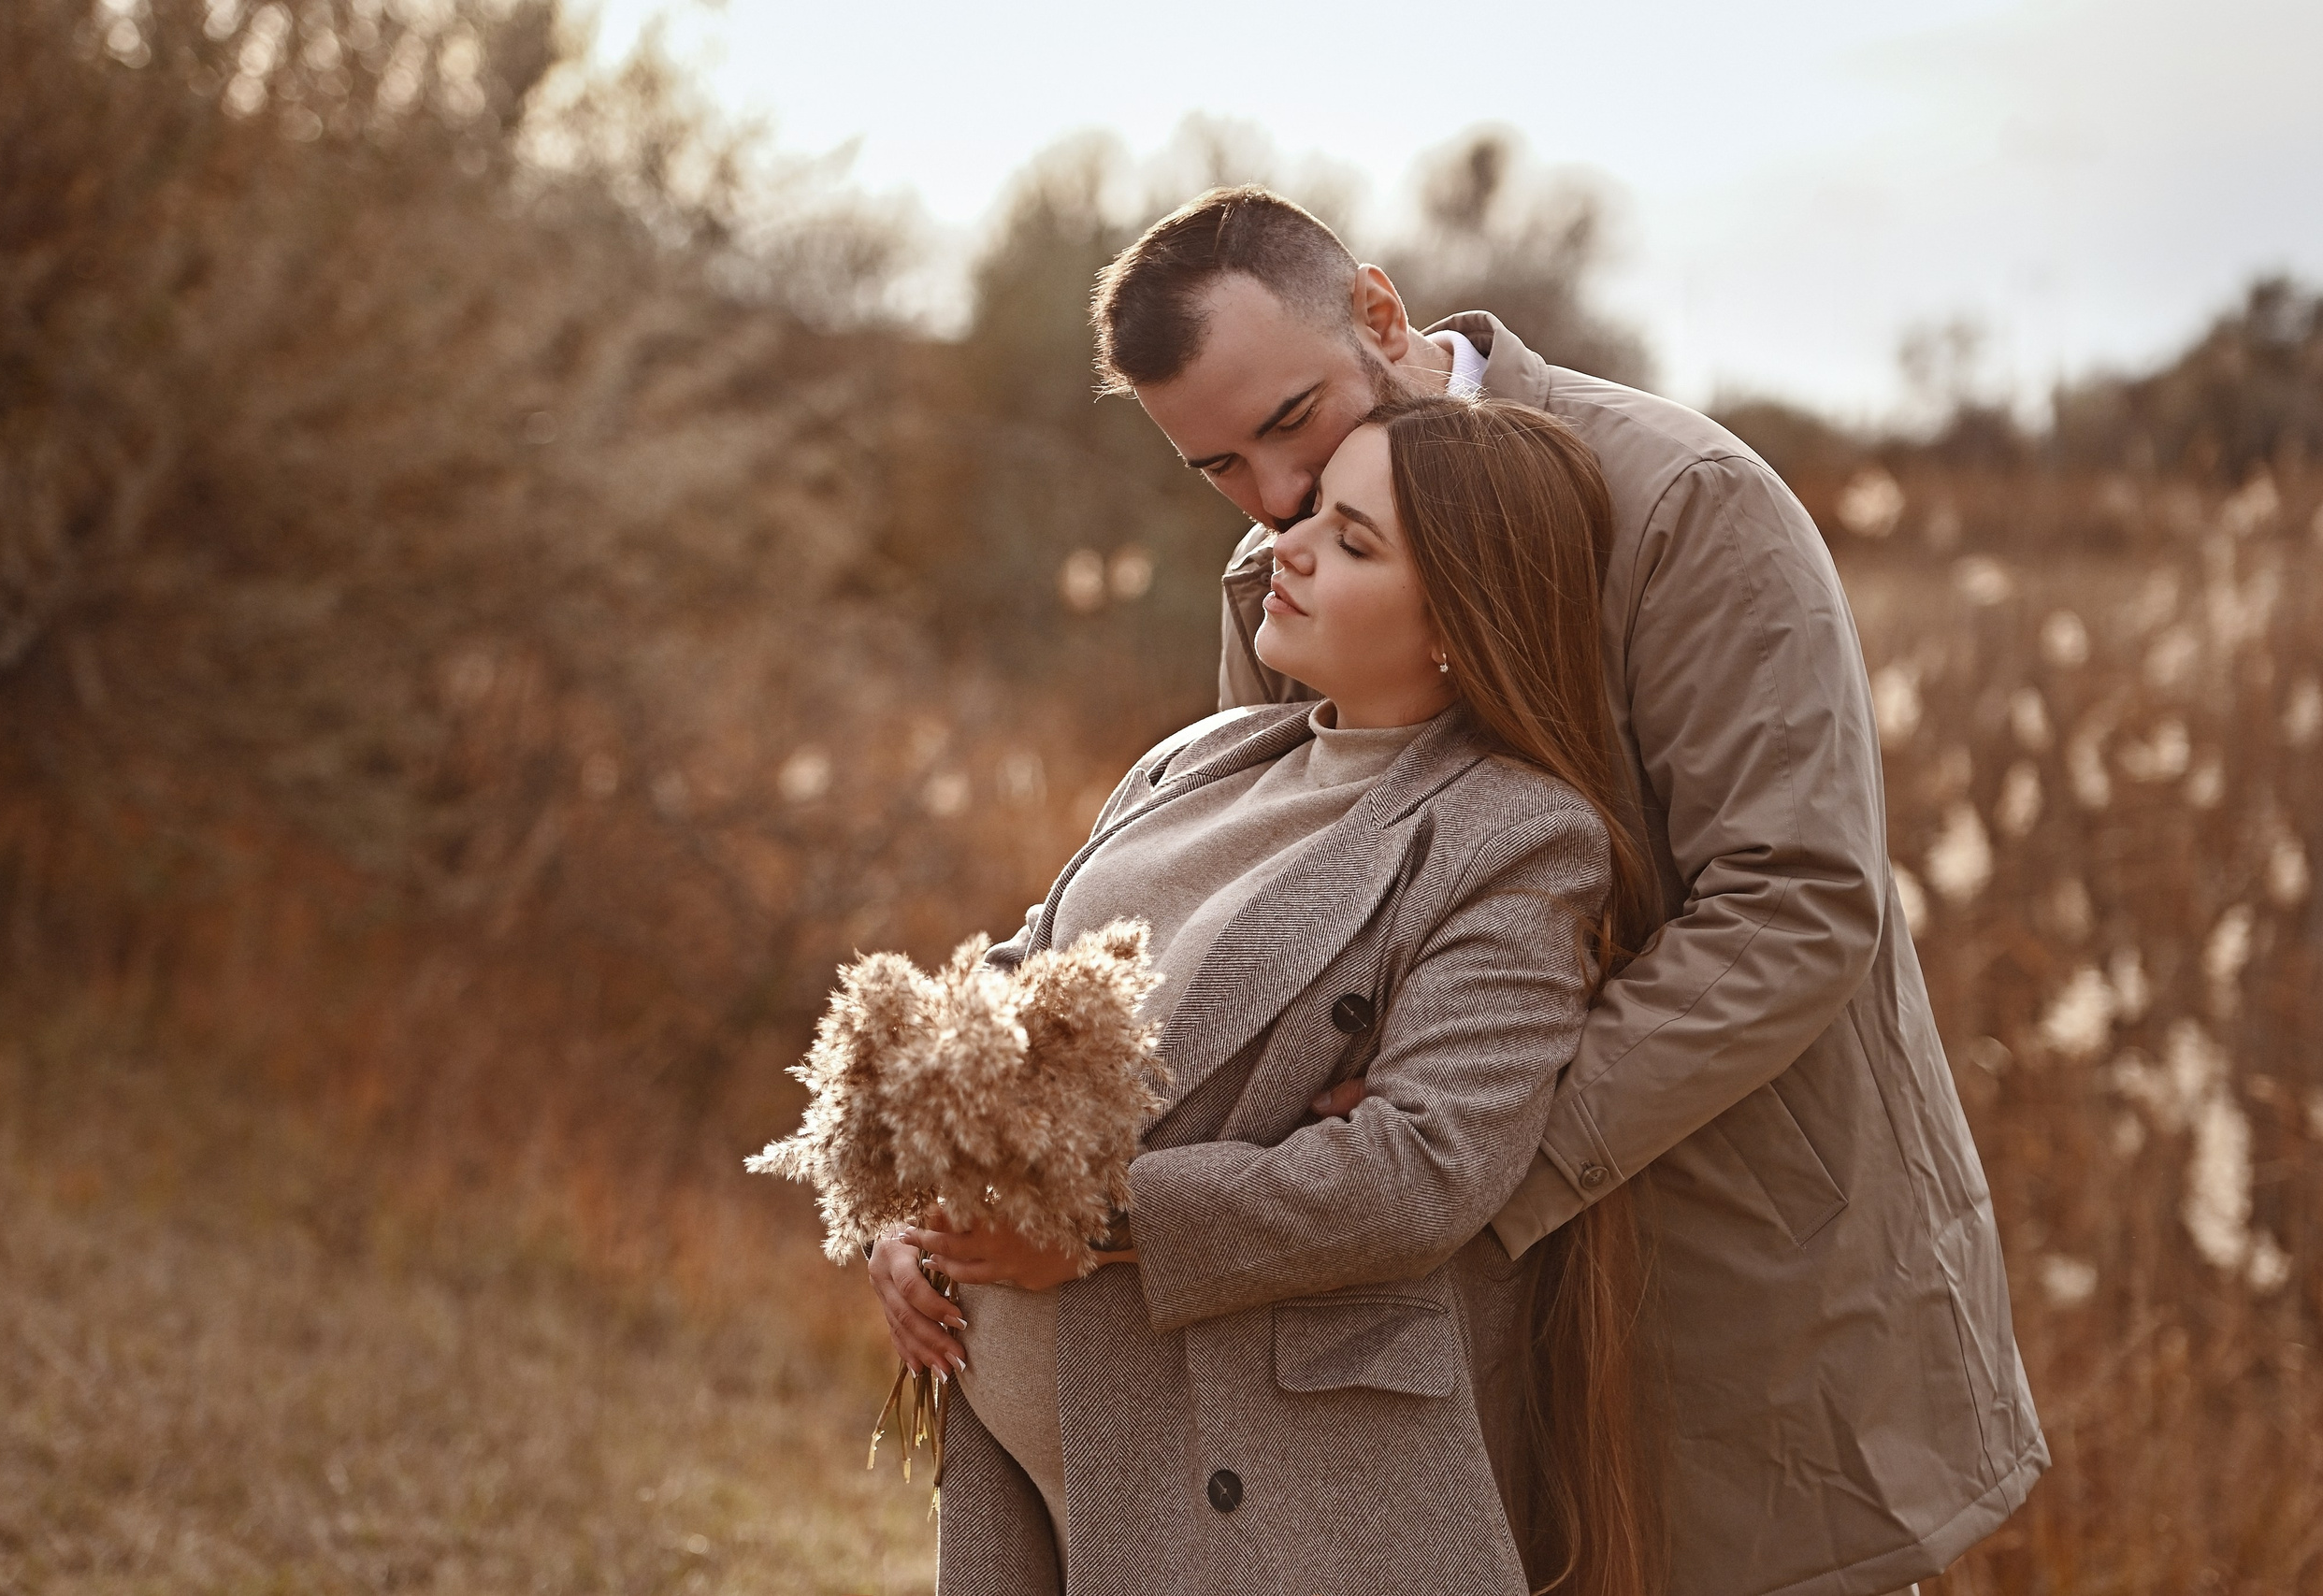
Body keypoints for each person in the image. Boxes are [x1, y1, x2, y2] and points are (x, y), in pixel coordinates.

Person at [873, 187, 2045, 1596]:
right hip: (1416, 1303)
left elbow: (1796, 903)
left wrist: (1471, 1142)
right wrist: (951, 1187)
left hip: (1716, 1236)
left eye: (1291, 422)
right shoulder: (1280, 562)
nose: (1271, 500)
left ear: (1380, 313)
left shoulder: (1684, 501)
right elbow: (1278, 950)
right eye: (1218, 468)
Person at [897, 395, 1659, 1596]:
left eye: (1353, 542)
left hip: (1276, 1506)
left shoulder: (1514, 838)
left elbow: (1420, 1169)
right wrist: (915, 1218)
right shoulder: (1194, 758)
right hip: (1037, 1488)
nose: (1283, 547)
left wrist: (1088, 1223)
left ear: (1461, 619)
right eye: (1311, 514)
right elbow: (1006, 1006)